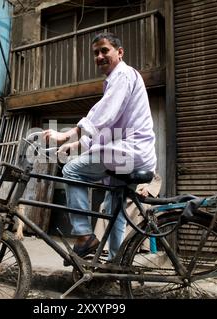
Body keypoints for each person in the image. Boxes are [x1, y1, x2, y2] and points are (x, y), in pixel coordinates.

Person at [43, 32, 156, 262]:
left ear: (119, 52)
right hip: (132, 153)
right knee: (116, 210)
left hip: (130, 152)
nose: (100, 56)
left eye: (105, 50)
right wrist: (79, 143)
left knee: (72, 170)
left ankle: (84, 236)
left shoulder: (122, 75)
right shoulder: (118, 80)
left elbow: (104, 114)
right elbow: (108, 126)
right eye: (96, 53)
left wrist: (67, 134)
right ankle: (117, 264)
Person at [94, 174, 162, 253]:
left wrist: (148, 189)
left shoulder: (145, 164)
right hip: (124, 191)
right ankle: (105, 245)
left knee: (142, 207)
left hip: (141, 194)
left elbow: (157, 178)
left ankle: (130, 246)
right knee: (104, 207)